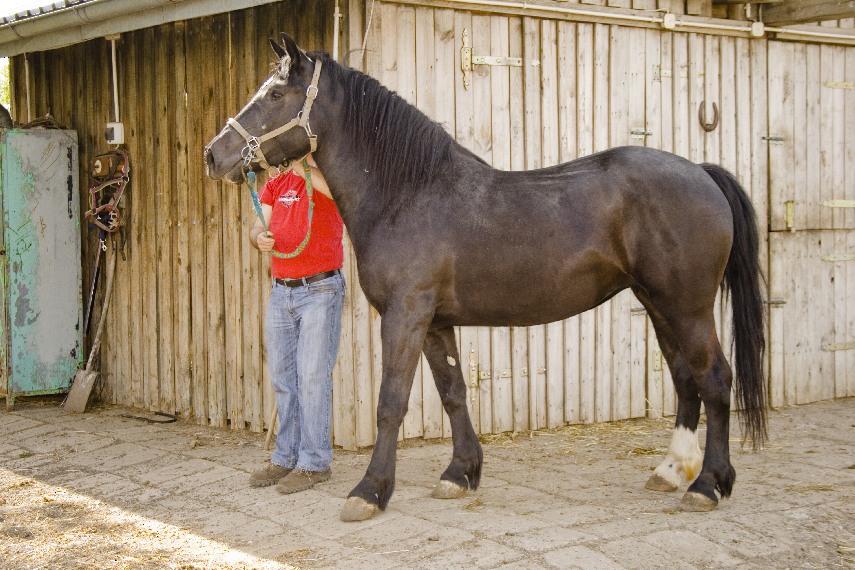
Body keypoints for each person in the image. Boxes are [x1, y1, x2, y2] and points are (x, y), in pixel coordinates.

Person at [248, 155, 345, 494]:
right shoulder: (275, 183)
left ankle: (314, 463)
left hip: (320, 289)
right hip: (282, 290)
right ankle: (286, 457)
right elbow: (257, 225)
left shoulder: (324, 174)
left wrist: (303, 165)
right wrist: (259, 238)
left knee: (313, 378)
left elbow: (339, 193)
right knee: (284, 379)